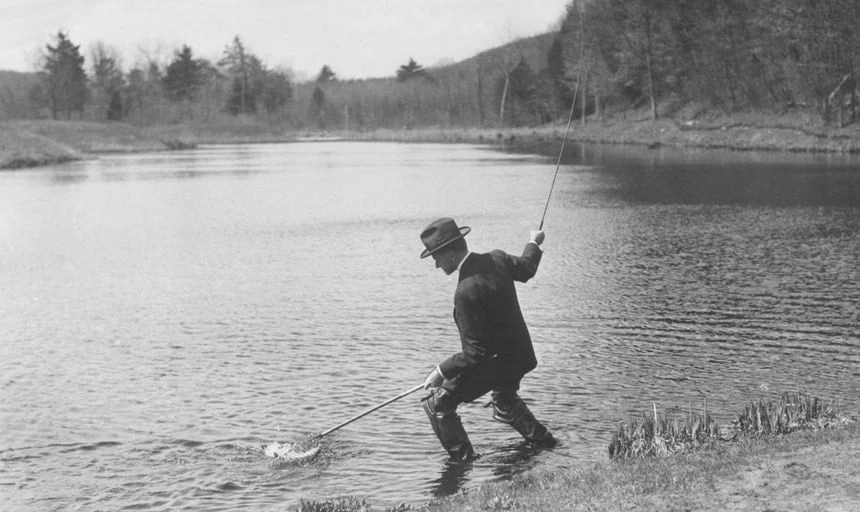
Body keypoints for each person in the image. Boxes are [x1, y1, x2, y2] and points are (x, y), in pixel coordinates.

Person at [418, 217, 556, 462]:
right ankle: (546, 444)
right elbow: (526, 269)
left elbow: (475, 353)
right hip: (522, 355)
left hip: (502, 361)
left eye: (436, 258)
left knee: (437, 404)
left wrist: (441, 370)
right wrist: (533, 242)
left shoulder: (465, 292)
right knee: (504, 399)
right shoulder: (497, 258)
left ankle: (463, 463)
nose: (436, 265)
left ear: (450, 254)